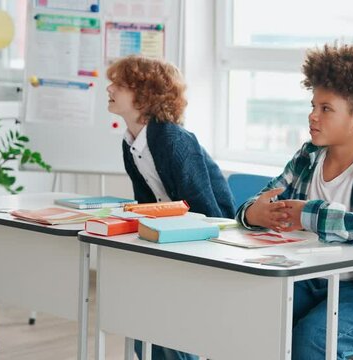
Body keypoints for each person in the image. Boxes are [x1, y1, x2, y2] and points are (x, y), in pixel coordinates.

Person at [236, 43, 353, 359]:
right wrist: (255, 213)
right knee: (248, 318)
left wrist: (309, 214)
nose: (312, 116)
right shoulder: (308, 157)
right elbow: (262, 199)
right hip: (305, 277)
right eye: (313, 105)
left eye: (326, 108)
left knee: (311, 339)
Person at [106, 56, 235, 360]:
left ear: (144, 95)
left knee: (168, 324)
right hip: (173, 240)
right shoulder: (131, 143)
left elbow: (206, 212)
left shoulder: (173, 139)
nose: (109, 87)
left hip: (205, 243)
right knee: (140, 328)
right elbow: (145, 206)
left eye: (120, 84)